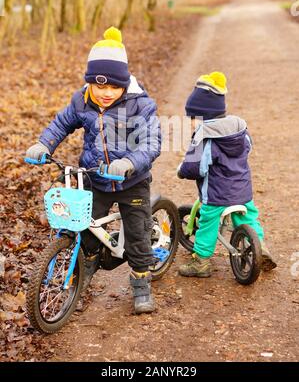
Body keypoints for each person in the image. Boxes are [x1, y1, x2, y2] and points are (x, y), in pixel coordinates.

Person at [25, 27, 161, 314]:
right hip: (94, 177)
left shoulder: (141, 106)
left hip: (131, 180)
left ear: (124, 84)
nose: (105, 93)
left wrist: (129, 163)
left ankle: (141, 284)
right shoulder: (82, 100)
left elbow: (151, 142)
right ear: (89, 83)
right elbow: (61, 124)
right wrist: (43, 144)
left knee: (137, 235)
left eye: (113, 87)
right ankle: (83, 270)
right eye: (99, 86)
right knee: (82, 227)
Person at [177, 71, 277, 278]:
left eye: (193, 118)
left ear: (202, 117)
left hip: (216, 195)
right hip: (242, 191)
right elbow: (248, 147)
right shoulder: (239, 130)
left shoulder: (203, 138)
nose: (191, 123)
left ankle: (201, 262)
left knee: (207, 222)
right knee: (249, 218)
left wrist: (182, 171)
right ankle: (260, 248)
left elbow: (195, 168)